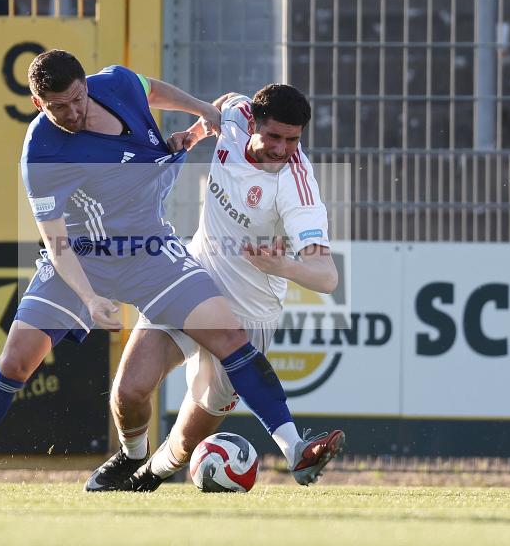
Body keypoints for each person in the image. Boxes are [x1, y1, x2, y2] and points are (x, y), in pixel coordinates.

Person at [0, 50, 339, 491]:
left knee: (229, 345)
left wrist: (203, 116)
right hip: (80, 260)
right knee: (18, 362)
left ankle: (292, 449)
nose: (71, 112)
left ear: (87, 86)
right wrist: (91, 298)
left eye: (77, 99)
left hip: (150, 250)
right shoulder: (41, 152)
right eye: (57, 106)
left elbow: (153, 89)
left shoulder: (116, 83)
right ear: (39, 104)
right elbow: (56, 242)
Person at [91, 85, 344, 492]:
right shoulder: (236, 117)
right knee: (129, 390)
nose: (283, 149)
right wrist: (194, 134)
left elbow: (327, 275)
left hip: (247, 316)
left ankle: (146, 479)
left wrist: (283, 264)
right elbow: (227, 102)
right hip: (191, 281)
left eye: (293, 140)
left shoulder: (297, 188)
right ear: (253, 123)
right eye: (274, 136)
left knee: (189, 438)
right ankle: (130, 455)